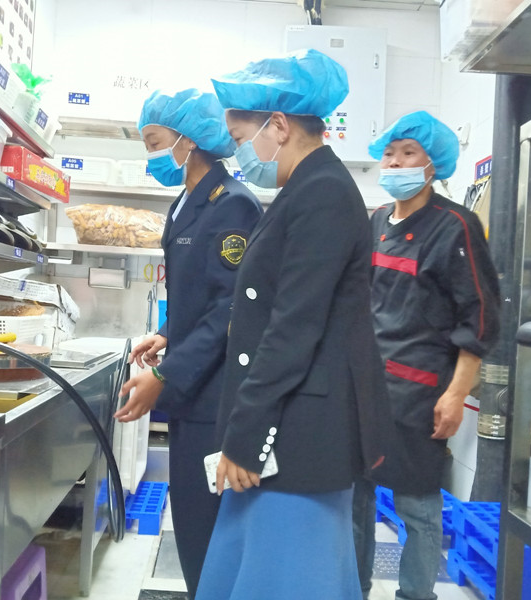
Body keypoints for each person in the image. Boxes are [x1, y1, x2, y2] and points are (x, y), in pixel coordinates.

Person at [195, 49, 391, 600]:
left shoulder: (323, 192)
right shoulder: (303, 188)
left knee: (289, 575)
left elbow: (294, 328)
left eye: (241, 138)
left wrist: (246, 437)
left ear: (278, 126)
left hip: (300, 431)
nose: (240, 154)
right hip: (285, 422)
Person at [114, 88, 263, 599]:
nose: (151, 155)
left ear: (190, 139)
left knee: (209, 530)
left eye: (155, 141)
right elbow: (195, 295)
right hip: (190, 393)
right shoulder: (184, 203)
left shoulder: (234, 205)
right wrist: (167, 334)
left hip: (214, 399)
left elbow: (230, 309)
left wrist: (165, 375)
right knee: (193, 523)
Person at [352, 111, 501, 600]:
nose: (395, 163)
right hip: (366, 386)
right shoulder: (377, 221)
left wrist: (456, 394)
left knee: (416, 506)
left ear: (432, 164)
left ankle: (416, 594)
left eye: (408, 153)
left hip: (419, 392)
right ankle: (353, 588)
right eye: (389, 154)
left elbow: (479, 318)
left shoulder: (455, 226)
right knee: (356, 497)